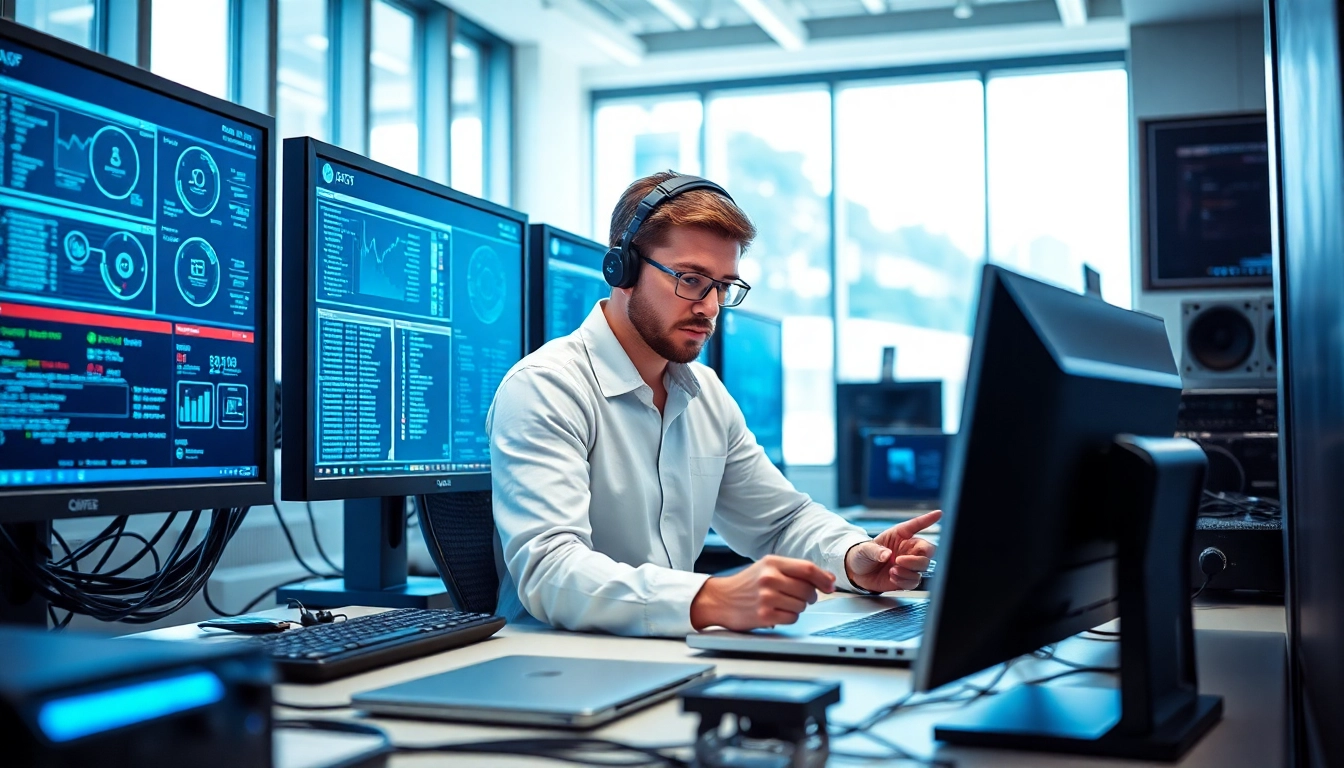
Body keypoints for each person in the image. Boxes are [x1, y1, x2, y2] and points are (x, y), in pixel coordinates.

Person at [487, 170, 939, 637]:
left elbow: (781, 521)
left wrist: (853, 556)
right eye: (691, 279)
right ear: (621, 269)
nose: (710, 307)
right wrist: (709, 598)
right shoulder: (546, 388)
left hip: (668, 652)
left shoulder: (704, 393)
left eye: (723, 286)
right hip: (556, 665)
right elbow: (549, 570)